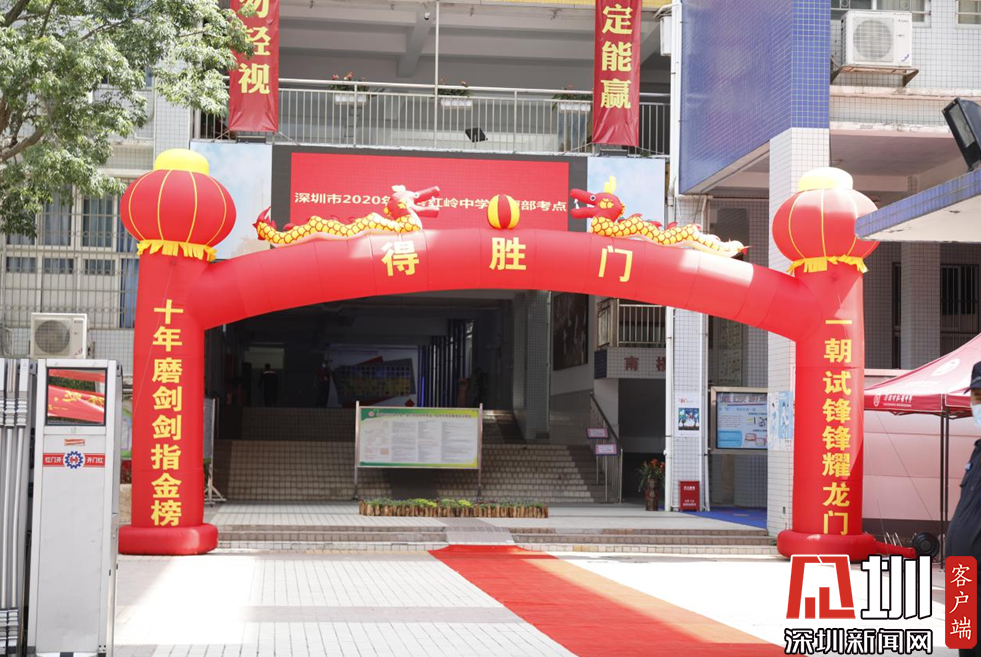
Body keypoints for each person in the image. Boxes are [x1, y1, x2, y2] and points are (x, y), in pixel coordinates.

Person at [945, 360, 981, 656]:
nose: (978, 404)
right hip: (962, 577)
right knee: (965, 645)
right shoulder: (978, 451)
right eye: (977, 397)